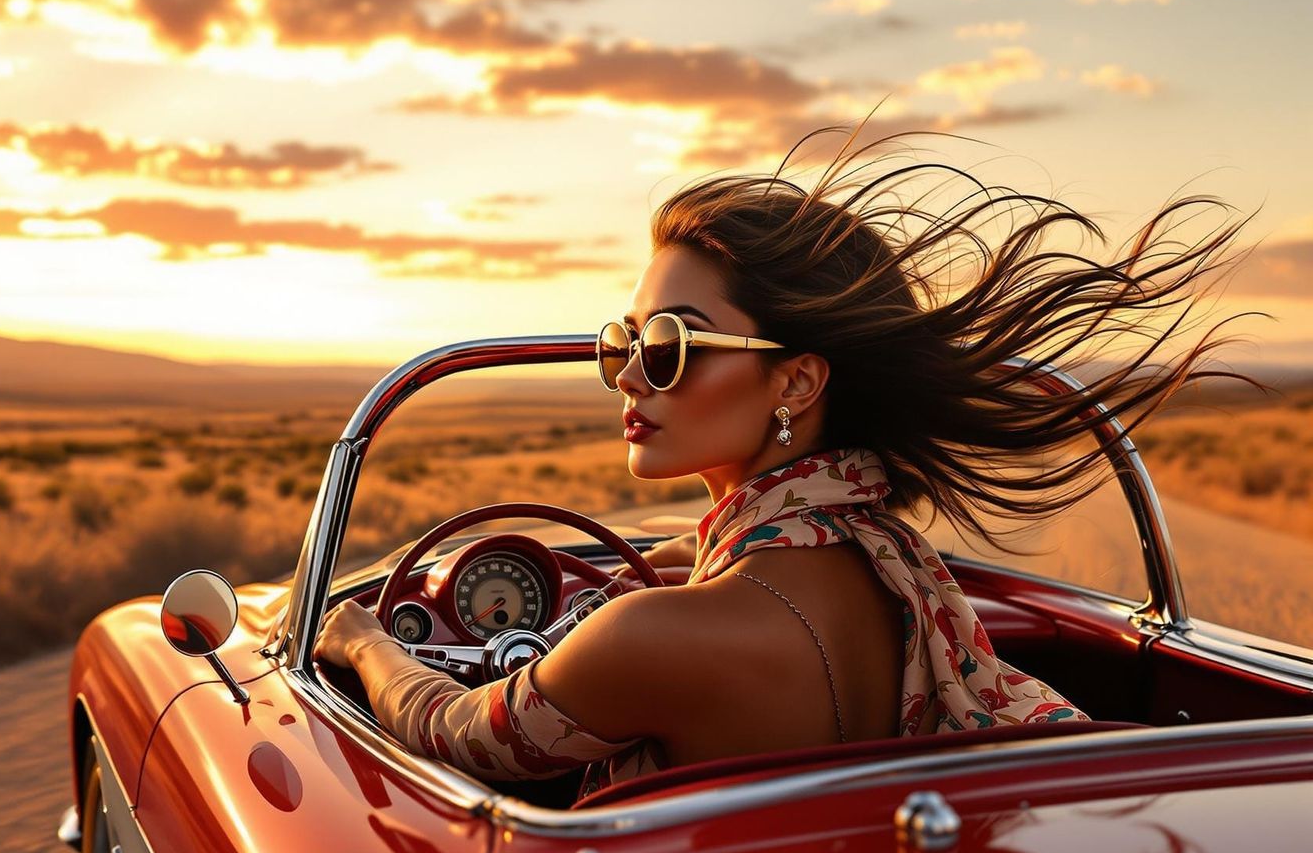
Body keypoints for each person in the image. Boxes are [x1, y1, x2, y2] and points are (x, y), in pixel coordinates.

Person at [314, 127, 1259, 802]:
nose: (631, 377)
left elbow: (463, 738)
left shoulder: (653, 641)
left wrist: (358, 638)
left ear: (796, 382)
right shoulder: (889, 561)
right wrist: (659, 563)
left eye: (674, 345)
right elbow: (736, 570)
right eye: (623, 343)